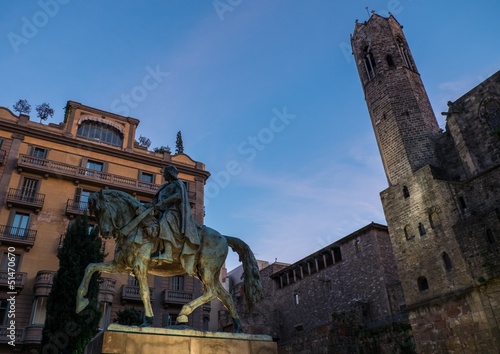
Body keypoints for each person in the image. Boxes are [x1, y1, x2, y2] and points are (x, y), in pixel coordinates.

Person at [146, 165, 200, 276]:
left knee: (165, 221)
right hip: (159, 212)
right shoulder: (163, 187)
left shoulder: (178, 184)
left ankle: (168, 253)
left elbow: (178, 196)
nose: (163, 174)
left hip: (173, 212)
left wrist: (165, 202)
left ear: (170, 173)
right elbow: (155, 200)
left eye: (165, 172)